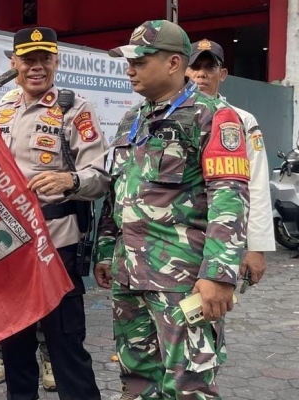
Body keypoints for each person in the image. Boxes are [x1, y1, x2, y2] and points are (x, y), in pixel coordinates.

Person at [96, 20, 250, 399]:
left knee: (188, 385)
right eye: (128, 62)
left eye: (141, 61)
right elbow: (120, 187)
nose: (130, 69)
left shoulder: (214, 116)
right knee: (137, 380)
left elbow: (229, 198)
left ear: (173, 63)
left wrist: (219, 274)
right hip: (130, 276)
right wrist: (105, 249)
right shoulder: (134, 118)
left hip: (183, 281)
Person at [0, 27, 108, 400]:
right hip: (10, 247)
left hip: (56, 248)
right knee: (15, 351)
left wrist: (69, 181)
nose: (36, 67)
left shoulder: (75, 109)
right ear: (14, 63)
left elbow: (102, 177)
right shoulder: (2, 107)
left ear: (56, 61)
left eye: (44, 58)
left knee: (66, 348)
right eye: (28, 59)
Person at [186, 39, 274, 285]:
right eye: (195, 67)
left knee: (206, 314)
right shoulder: (166, 117)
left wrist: (257, 247)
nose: (201, 74)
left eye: (209, 67)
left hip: (219, 240)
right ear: (184, 70)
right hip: (172, 241)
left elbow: (255, 183)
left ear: (222, 74)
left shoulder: (240, 120)